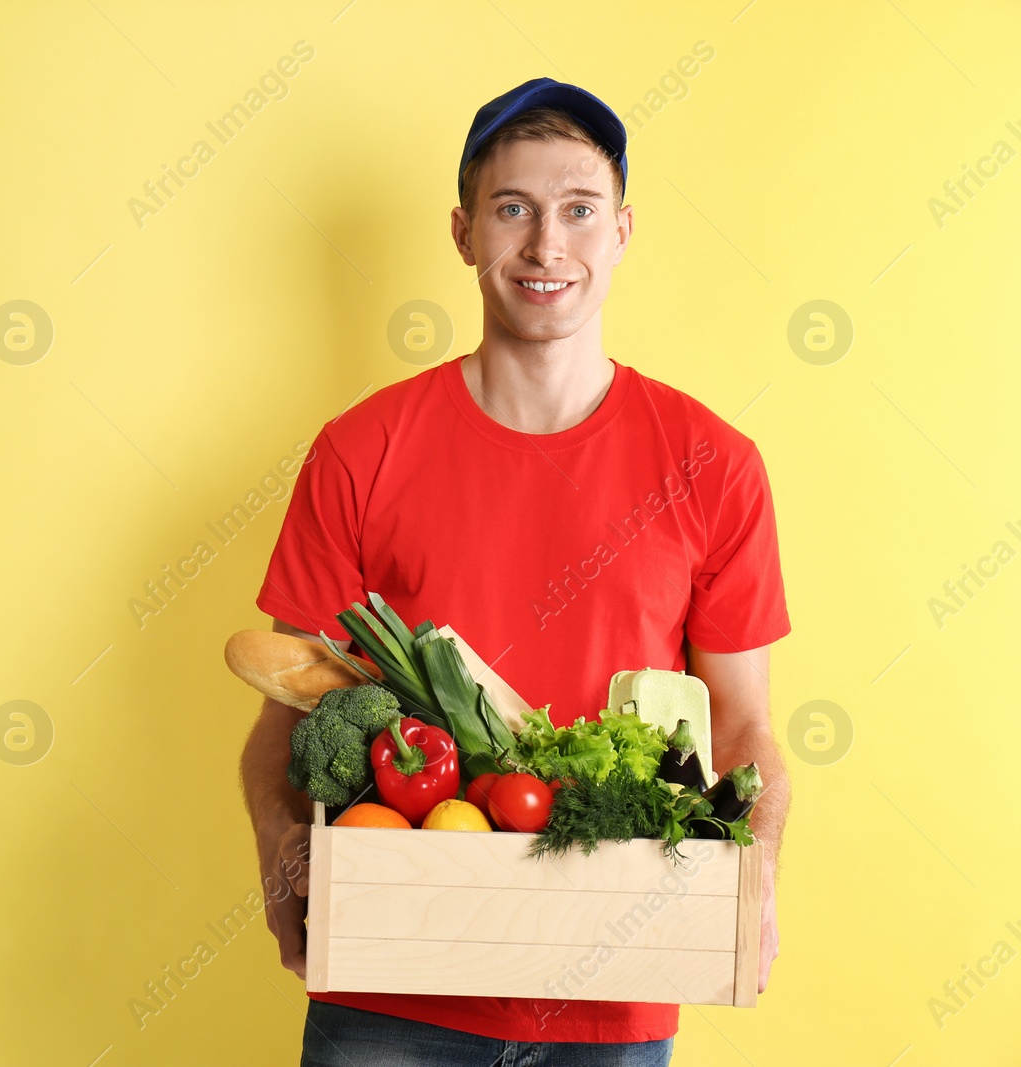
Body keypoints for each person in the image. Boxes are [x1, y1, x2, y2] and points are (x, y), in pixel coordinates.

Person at [237, 77, 790, 1066]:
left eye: (578, 211)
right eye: (512, 210)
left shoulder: (714, 463)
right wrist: (284, 853)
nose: (546, 246)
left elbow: (743, 726)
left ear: (621, 230)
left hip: (613, 996)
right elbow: (281, 725)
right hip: (391, 994)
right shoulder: (361, 450)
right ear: (461, 233)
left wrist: (756, 873)